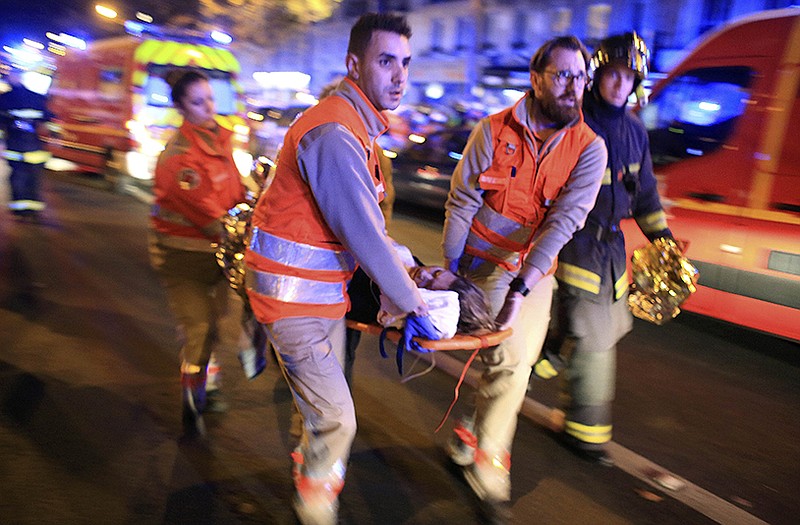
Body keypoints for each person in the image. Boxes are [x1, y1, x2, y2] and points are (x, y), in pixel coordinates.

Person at [243, 13, 441, 525]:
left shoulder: (356, 128)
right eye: (385, 61)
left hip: (320, 295)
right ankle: (314, 506)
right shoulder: (335, 131)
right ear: (354, 64)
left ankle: (312, 480)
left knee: (320, 412)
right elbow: (362, 233)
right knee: (337, 418)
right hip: (293, 302)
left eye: (405, 63)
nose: (400, 75)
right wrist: (412, 300)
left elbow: (366, 228)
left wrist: (411, 266)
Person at [442, 36, 608, 516]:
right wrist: (451, 274)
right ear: (536, 79)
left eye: (581, 77)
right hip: (473, 268)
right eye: (563, 76)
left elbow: (564, 222)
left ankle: (489, 466)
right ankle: (470, 432)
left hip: (527, 272)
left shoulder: (588, 150)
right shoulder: (491, 132)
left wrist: (522, 285)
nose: (574, 87)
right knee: (490, 359)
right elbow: (462, 203)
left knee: (513, 360)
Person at [532, 32, 675, 466]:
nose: (620, 84)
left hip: (611, 252)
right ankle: (585, 433)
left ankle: (526, 370)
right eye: (613, 74)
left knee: (596, 330)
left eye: (628, 76)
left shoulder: (634, 132)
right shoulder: (575, 122)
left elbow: (645, 195)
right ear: (596, 76)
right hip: (574, 246)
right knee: (593, 336)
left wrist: (663, 241)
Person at [148, 70, 251, 439]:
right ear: (180, 107)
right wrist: (241, 226)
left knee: (215, 321)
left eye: (210, 97)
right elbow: (207, 212)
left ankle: (206, 380)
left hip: (216, 257)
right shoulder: (179, 158)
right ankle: (193, 402)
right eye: (197, 101)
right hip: (182, 258)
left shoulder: (220, 141)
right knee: (201, 327)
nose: (209, 106)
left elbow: (237, 190)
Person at [0, 69, 50, 219]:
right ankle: (33, 208)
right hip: (35, 147)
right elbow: (48, 119)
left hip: (16, 146)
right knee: (33, 178)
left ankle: (20, 209)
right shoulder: (37, 97)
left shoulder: (5, 99)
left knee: (18, 177)